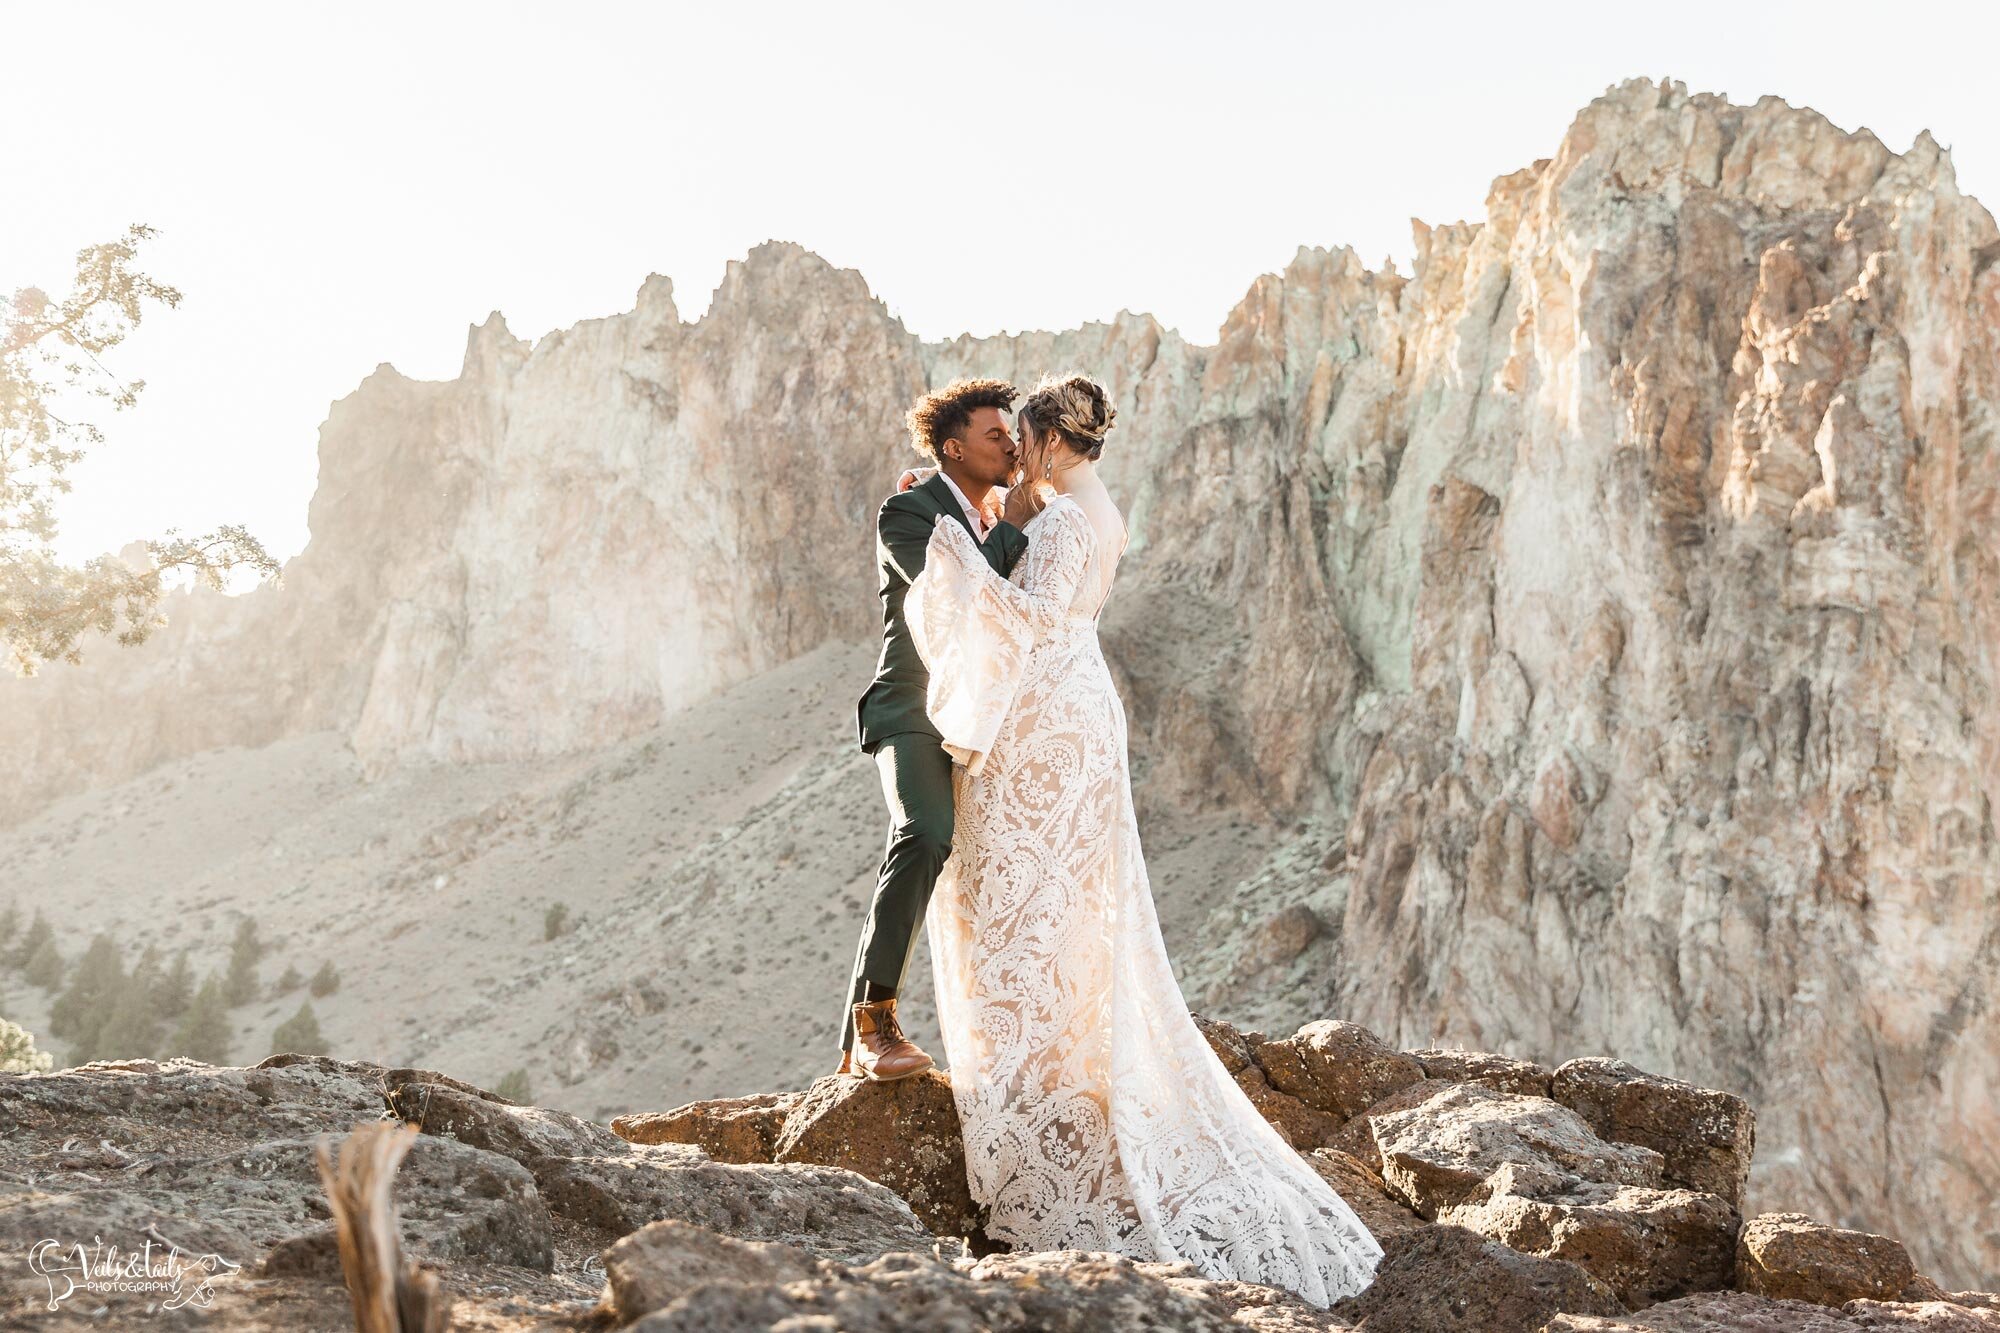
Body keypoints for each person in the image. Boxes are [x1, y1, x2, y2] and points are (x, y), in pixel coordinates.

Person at [902, 372, 1383, 1307]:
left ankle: (1042, 1101)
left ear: (1045, 440)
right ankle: (1056, 1078)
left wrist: (958, 558)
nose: (1016, 460)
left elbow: (1032, 618)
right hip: (1078, 711)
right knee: (1061, 899)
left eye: (1022, 442)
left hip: (1046, 724)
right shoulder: (1100, 509)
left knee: (1021, 897)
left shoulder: (1066, 520)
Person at [839, 378, 1028, 1080]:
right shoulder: (907, 511)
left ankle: (855, 1048)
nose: (1010, 444)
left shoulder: (999, 514)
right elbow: (958, 595)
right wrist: (1013, 519)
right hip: (913, 709)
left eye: (1012, 434)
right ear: (954, 448)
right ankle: (875, 1022)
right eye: (994, 436)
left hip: (988, 724)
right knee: (923, 833)